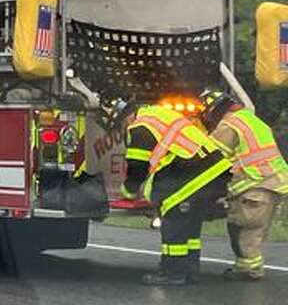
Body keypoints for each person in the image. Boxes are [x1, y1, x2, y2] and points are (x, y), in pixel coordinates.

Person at [108, 97, 232, 286]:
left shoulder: (140, 126)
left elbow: (137, 167)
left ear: (128, 116)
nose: (124, 128)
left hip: (195, 173)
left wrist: (128, 192)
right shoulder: (160, 114)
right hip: (216, 172)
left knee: (173, 219)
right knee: (190, 223)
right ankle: (191, 270)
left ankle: (172, 273)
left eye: (122, 123)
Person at [200, 89, 288, 281]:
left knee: (244, 230)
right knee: (252, 231)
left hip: (255, 185)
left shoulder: (229, 125)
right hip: (274, 184)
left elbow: (211, 157)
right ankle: (246, 268)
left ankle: (250, 270)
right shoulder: (251, 120)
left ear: (213, 111)